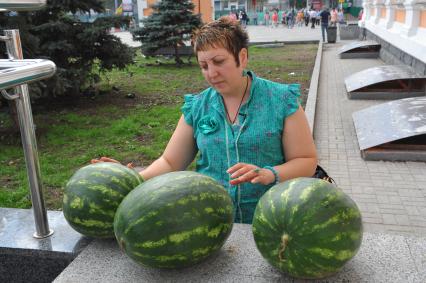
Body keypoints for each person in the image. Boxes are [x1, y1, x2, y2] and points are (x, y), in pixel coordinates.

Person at [92, 17, 317, 224]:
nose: (211, 73)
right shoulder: (198, 106)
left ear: (242, 57)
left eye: (219, 62)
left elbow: (306, 160)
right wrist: (128, 179)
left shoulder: (281, 100)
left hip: (271, 219)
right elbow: (171, 162)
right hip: (211, 221)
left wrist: (269, 174)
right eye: (204, 66)